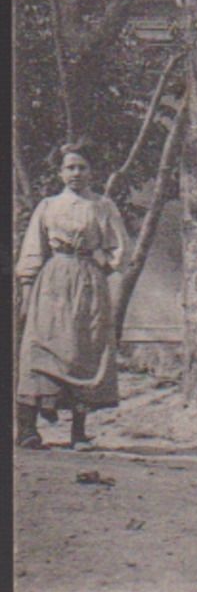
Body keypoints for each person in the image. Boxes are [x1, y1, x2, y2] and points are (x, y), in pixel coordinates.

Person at [14, 143, 130, 450]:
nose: (76, 173)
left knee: (84, 351)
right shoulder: (49, 206)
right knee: (39, 348)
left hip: (89, 283)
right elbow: (33, 250)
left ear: (92, 171)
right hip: (52, 282)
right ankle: (27, 429)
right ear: (60, 172)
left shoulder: (103, 206)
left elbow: (120, 250)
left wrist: (99, 258)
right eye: (70, 168)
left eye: (82, 167)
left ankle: (78, 433)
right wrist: (27, 292)